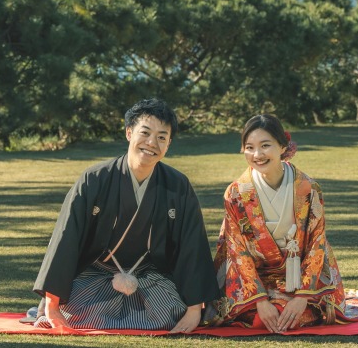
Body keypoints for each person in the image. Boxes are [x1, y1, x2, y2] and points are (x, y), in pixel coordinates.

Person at [210, 113, 358, 332]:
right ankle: (266, 305)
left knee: (298, 315)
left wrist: (302, 297)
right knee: (258, 318)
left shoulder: (307, 188)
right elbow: (236, 250)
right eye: (249, 147)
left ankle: (292, 304)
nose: (257, 154)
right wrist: (259, 301)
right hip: (255, 279)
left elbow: (317, 244)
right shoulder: (236, 193)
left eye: (265, 145)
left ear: (282, 146)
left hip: (297, 278)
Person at [31, 98, 219, 332]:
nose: (152, 143)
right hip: (96, 272)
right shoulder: (95, 179)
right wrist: (52, 305)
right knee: (77, 313)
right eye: (145, 133)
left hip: (150, 276)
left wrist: (193, 310)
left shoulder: (178, 185)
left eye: (162, 137)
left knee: (171, 312)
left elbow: (193, 245)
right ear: (129, 133)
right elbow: (66, 238)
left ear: (169, 144)